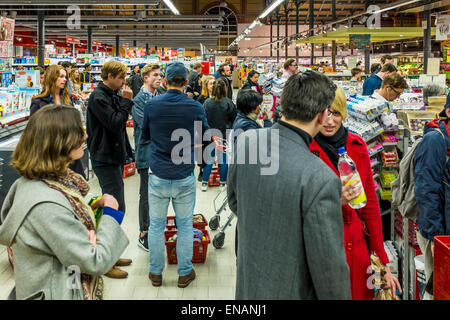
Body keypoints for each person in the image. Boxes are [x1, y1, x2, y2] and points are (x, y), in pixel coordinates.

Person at [228, 70, 352, 299]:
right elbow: (329, 270)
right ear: (323, 115)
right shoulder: (321, 178)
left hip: (249, 285)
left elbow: (235, 201)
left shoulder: (247, 141)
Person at [0, 104, 129, 300]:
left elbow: (58, 233)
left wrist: (91, 207)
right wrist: (110, 215)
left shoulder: (37, 184)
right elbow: (94, 261)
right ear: (57, 141)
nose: (85, 137)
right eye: (79, 132)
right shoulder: (46, 204)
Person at [310, 86, 401, 300]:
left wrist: (381, 260)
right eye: (325, 113)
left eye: (336, 113)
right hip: (323, 246)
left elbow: (370, 205)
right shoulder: (306, 147)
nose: (330, 121)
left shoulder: (357, 145)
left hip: (358, 250)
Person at [140, 61, 209, 289]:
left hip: (158, 172)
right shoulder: (195, 107)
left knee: (156, 226)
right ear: (187, 82)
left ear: (165, 81)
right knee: (185, 225)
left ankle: (155, 273)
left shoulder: (152, 106)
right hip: (183, 173)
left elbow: (146, 135)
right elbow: (203, 137)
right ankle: (184, 272)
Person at [86, 60, 134, 279]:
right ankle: (105, 260)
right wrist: (126, 103)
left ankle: (111, 254)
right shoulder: (98, 97)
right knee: (114, 208)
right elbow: (115, 123)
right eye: (121, 76)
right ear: (110, 76)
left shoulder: (110, 95)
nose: (124, 80)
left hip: (112, 156)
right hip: (103, 158)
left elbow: (120, 130)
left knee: (118, 206)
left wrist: (128, 152)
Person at [414, 99, 450, 300]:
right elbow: (425, 191)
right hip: (438, 233)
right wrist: (435, 238)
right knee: (438, 288)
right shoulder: (434, 141)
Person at [29, 65, 86, 179]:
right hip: (50, 154)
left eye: (65, 77)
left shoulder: (66, 100)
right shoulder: (38, 102)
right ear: (51, 77)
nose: (64, 79)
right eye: (61, 76)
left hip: (69, 152)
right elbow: (33, 131)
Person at [131, 63, 161, 252]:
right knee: (147, 195)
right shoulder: (139, 101)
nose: (159, 78)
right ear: (145, 78)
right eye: (155, 75)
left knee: (159, 194)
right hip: (147, 153)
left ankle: (155, 229)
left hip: (161, 153)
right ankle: (144, 233)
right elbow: (146, 126)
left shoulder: (161, 96)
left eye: (161, 75)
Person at [201, 78, 237, 192]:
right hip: (224, 135)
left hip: (210, 134)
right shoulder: (228, 102)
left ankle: (204, 183)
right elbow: (234, 118)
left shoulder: (207, 102)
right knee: (223, 159)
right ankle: (222, 184)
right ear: (225, 89)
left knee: (209, 159)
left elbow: (203, 119)